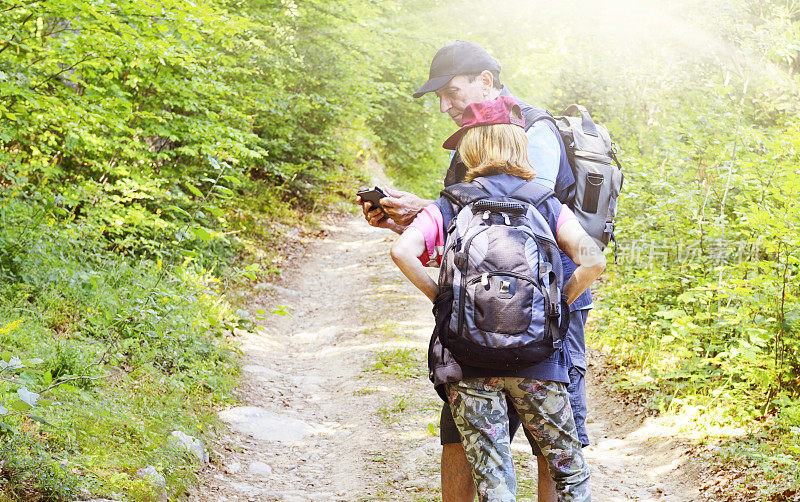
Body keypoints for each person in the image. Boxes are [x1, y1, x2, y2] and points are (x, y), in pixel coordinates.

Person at [357, 40, 593, 502]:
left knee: (545, 442)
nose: (445, 106)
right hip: (485, 311)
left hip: (543, 311)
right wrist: (417, 220)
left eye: (451, 91)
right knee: (470, 436)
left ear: (486, 81)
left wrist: (436, 247)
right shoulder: (476, 138)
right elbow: (481, 233)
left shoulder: (532, 131)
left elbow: (514, 216)